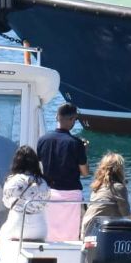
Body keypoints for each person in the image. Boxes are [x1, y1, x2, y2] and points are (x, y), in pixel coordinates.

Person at [35, 101, 89, 242]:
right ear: (71, 119)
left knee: (50, 233)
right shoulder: (76, 143)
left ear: (56, 117)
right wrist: (84, 152)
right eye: (75, 119)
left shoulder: (42, 140)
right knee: (72, 234)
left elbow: (38, 165)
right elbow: (85, 172)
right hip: (71, 194)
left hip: (49, 193)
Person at [0, 145, 50, 253]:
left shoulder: (12, 180)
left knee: (0, 240)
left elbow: (7, 203)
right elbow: (45, 203)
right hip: (39, 229)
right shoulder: (43, 182)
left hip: (16, 227)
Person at [80, 151, 131, 240]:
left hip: (87, 229)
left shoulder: (97, 186)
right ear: (119, 169)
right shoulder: (118, 187)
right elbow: (126, 216)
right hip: (101, 231)